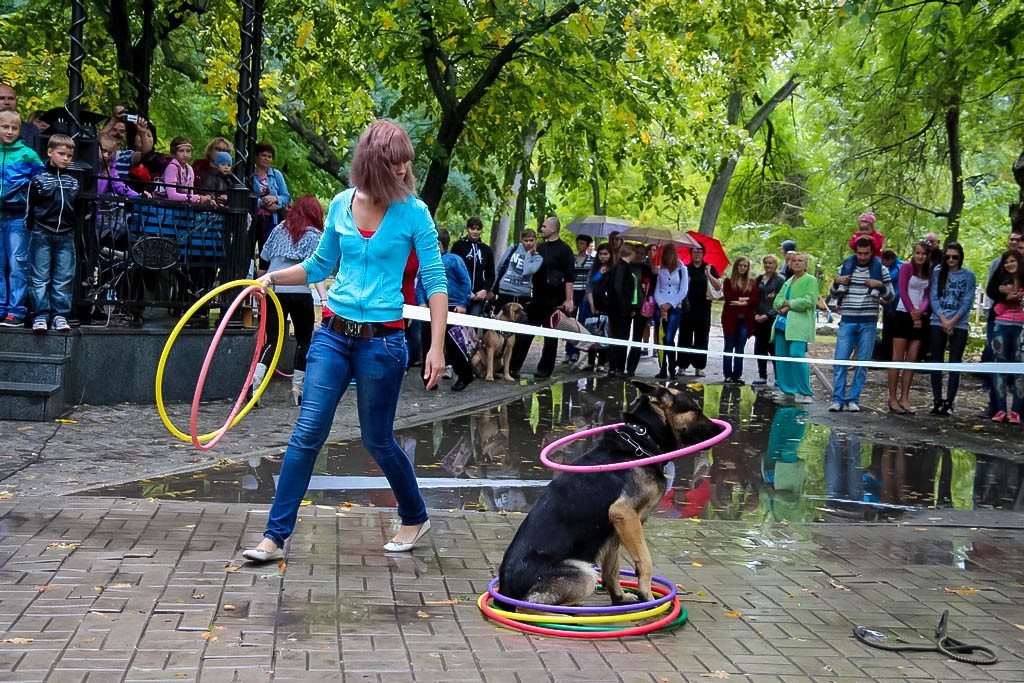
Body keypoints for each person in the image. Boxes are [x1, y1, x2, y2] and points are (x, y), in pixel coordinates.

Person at [242, 120, 447, 563]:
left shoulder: (414, 212)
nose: (403, 171)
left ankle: (414, 514)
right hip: (332, 337)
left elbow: (434, 279)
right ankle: (274, 537)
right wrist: (271, 278)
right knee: (306, 433)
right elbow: (318, 266)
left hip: (384, 342)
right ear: (373, 164)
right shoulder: (340, 204)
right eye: (395, 164)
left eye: (407, 163)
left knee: (377, 440)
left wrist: (436, 345)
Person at [248, 195, 327, 406]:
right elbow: (316, 270)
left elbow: (264, 261)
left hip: (274, 290)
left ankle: (254, 382)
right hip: (300, 292)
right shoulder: (315, 236)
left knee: (272, 339)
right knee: (304, 340)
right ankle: (297, 388)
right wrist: (324, 297)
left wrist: (259, 284)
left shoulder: (279, 229)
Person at [827, 236, 894, 412]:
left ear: (872, 252)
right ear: (855, 252)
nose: (862, 257)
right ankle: (837, 398)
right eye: (859, 253)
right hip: (847, 320)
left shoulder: (882, 270)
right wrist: (836, 282)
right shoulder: (846, 267)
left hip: (868, 321)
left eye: (866, 253)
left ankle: (853, 399)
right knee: (840, 360)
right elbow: (833, 294)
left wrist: (879, 285)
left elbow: (890, 297)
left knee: (862, 362)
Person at [508, 216, 574, 380]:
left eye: (544, 226)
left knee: (551, 337)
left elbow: (570, 278)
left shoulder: (565, 250)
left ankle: (544, 370)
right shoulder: (539, 248)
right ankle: (513, 367)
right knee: (526, 333)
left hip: (555, 301)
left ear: (553, 229)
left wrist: (569, 299)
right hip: (537, 299)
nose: (541, 229)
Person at [27, 134, 80, 333]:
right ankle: (40, 315)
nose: (66, 158)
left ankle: (60, 315)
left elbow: (76, 208)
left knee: (64, 276)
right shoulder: (38, 179)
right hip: (42, 232)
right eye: (61, 154)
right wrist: (30, 228)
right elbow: (30, 207)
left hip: (66, 234)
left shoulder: (73, 182)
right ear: (50, 152)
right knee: (39, 276)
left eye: (69, 155)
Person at [417, 228, 474, 391]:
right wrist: (421, 302)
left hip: (452, 308)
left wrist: (463, 303)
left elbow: (466, 283)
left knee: (453, 344)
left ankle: (465, 374)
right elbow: (420, 284)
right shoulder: (427, 261)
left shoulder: (455, 261)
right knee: (427, 342)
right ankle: (427, 375)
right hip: (430, 308)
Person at [0, 108, 43, 327]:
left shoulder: (28, 155)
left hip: (17, 216)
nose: (9, 131)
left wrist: (25, 195)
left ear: (20, 130)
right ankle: (1, 307)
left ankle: (16, 311)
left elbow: (42, 183)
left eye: (14, 128)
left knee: (17, 263)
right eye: (5, 127)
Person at [928, 242, 975, 416]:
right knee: (936, 362)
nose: (951, 260)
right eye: (947, 257)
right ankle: (937, 400)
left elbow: (967, 301)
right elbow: (933, 297)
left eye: (954, 257)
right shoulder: (937, 272)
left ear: (960, 257)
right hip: (937, 321)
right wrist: (942, 319)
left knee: (955, 362)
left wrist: (952, 322)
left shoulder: (969, 276)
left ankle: (949, 402)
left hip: (959, 323)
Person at [887, 241, 932, 414]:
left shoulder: (928, 271)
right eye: (918, 253)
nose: (920, 257)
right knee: (897, 358)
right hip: (903, 314)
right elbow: (903, 291)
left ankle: (905, 398)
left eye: (924, 254)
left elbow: (927, 295)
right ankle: (892, 398)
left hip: (919, 316)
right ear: (914, 253)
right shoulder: (906, 267)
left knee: (911, 359)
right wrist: (913, 311)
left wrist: (920, 312)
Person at [771, 252, 816, 403]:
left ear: (805, 264)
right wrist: (785, 304)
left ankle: (806, 393)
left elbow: (808, 301)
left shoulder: (810, 280)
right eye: (794, 261)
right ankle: (788, 390)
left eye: (800, 261)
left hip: (799, 325)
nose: (797, 263)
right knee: (782, 358)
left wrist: (789, 304)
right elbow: (777, 302)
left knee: (797, 356)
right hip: (781, 325)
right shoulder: (787, 281)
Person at [984, 249, 1023, 423]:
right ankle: (1000, 410)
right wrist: (1006, 296)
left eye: (1012, 261)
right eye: (1006, 262)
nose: (1009, 265)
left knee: (1019, 368)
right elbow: (993, 296)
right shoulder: (999, 281)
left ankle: (1016, 411)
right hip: (1000, 326)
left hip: (1021, 327)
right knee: (999, 366)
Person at [677, 245, 721, 377]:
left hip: (704, 308)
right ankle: (682, 366)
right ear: (691, 253)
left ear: (703, 253)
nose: (697, 254)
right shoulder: (685, 268)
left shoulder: (709, 268)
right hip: (687, 307)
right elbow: (678, 286)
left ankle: (699, 366)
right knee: (685, 336)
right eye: (694, 251)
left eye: (700, 251)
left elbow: (718, 286)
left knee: (702, 337)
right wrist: (686, 281)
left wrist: (708, 275)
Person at [721, 256, 758, 384]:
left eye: (745, 266)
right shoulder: (728, 281)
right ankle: (727, 375)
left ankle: (737, 375)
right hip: (730, 318)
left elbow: (754, 298)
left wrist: (743, 302)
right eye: (740, 265)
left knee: (740, 347)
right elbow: (728, 297)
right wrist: (746, 299)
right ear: (736, 266)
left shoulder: (752, 282)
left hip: (745, 319)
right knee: (728, 346)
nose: (743, 268)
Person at [653, 244, 688, 379]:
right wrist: (661, 304)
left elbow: (683, 290)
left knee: (669, 338)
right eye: (666, 254)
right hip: (660, 305)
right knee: (661, 338)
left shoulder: (682, 269)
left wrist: (670, 304)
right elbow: (657, 289)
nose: (668, 257)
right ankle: (663, 367)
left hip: (674, 307)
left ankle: (672, 368)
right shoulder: (660, 270)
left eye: (671, 254)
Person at [449, 216, 495, 318]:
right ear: (467, 229)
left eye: (478, 229)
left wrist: (485, 290)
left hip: (478, 296)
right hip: (460, 295)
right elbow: (453, 272)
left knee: (472, 324)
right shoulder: (458, 246)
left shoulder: (486, 250)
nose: (475, 231)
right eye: (472, 228)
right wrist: (466, 291)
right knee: (457, 326)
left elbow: (491, 274)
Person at [752, 254, 785, 386]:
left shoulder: (780, 280)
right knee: (760, 348)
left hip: (772, 319)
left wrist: (768, 314)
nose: (768, 265)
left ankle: (778, 377)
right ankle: (762, 376)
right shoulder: (759, 279)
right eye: (766, 263)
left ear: (775, 265)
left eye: (770, 263)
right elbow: (754, 298)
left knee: (773, 348)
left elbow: (779, 301)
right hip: (758, 317)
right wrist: (755, 314)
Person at [582, 241, 615, 370]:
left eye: (605, 254)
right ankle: (590, 361)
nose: (602, 257)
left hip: (607, 306)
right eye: (600, 254)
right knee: (592, 332)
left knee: (604, 333)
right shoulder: (594, 268)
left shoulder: (614, 269)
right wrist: (592, 306)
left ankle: (601, 362)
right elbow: (589, 286)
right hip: (593, 303)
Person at [251, 142, 291, 249]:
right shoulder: (249, 174)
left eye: (269, 156)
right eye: (263, 155)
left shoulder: (276, 174)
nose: (267, 158)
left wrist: (275, 199)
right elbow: (246, 197)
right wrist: (263, 203)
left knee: (267, 254)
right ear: (256, 157)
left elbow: (286, 197)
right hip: (252, 218)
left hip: (271, 220)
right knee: (247, 252)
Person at [564, 233, 594, 363]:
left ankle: (576, 351)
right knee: (570, 321)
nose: (579, 245)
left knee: (581, 321)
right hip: (573, 292)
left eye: (582, 243)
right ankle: (568, 351)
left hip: (585, 293)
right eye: (578, 243)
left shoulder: (592, 261)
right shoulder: (571, 259)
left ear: (587, 246)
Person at [161, 136, 209, 204]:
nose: (185, 155)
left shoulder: (190, 169)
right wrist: (198, 198)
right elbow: (171, 196)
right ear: (174, 153)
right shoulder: (172, 167)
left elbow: (190, 194)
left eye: (188, 151)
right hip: (165, 206)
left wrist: (202, 199)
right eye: (181, 151)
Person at [0, 83, 40, 150]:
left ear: (16, 102)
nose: (7, 102)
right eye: (1, 98)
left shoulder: (31, 131)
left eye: (11, 98)